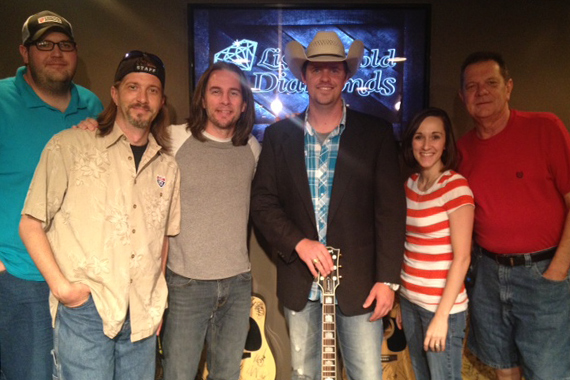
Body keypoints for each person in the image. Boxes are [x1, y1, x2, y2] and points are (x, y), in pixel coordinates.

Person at [250, 31, 406, 380]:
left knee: (366, 373)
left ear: (345, 75)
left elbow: (390, 211)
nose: (325, 77)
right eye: (316, 69)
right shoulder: (279, 136)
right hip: (300, 282)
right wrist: (298, 243)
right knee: (305, 373)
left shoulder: (375, 134)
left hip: (361, 287)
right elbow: (262, 203)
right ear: (303, 75)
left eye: (334, 69)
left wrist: (388, 280)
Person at [18, 51, 180, 380]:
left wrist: (155, 298)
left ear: (161, 101)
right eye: (133, 87)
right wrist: (63, 290)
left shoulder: (168, 167)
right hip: (87, 312)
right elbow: (31, 224)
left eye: (152, 90)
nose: (142, 98)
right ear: (115, 92)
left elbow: (161, 238)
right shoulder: (70, 146)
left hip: (142, 317)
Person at [0, 10, 102, 380]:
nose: (56, 53)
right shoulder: (1, 100)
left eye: (65, 45)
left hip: (79, 277)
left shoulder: (91, 105)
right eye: (44, 44)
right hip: (20, 277)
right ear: (24, 53)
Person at [457, 52, 570, 380]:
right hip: (488, 275)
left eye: (490, 83)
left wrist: (558, 270)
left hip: (543, 273)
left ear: (508, 88)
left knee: (549, 373)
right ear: (463, 96)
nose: (481, 92)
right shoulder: (462, 150)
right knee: (504, 369)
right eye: (472, 87)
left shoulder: (545, 128)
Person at [161, 61, 260, 380]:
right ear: (202, 98)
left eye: (234, 94)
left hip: (237, 283)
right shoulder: (174, 140)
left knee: (227, 374)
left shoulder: (253, 148)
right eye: (216, 92)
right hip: (186, 283)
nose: (225, 101)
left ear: (244, 103)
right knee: (178, 374)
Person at [397, 107, 474, 380]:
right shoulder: (411, 184)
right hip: (410, 302)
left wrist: (441, 318)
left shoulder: (455, 186)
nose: (427, 145)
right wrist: (401, 301)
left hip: (442, 308)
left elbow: (462, 258)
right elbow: (409, 245)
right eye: (419, 137)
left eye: (435, 137)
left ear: (445, 143)